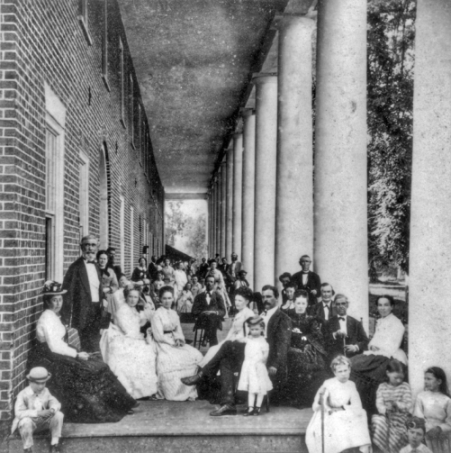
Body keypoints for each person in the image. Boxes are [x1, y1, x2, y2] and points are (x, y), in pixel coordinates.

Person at [28, 281, 136, 423]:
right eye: (54, 300)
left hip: (58, 353)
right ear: (47, 302)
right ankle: (109, 408)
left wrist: (76, 352)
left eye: (60, 300)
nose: (58, 303)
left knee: (98, 364)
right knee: (91, 369)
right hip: (49, 358)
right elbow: (54, 346)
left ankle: (121, 404)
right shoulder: (47, 317)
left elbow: (60, 344)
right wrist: (76, 354)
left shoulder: (53, 315)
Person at [182, 285, 291, 416]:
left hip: (264, 360)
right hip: (250, 354)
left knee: (228, 345)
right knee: (225, 360)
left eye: (269, 297)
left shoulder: (283, 318)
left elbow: (282, 346)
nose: (265, 299)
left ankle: (203, 375)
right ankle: (228, 403)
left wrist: (274, 365)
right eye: (263, 297)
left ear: (277, 298)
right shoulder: (261, 314)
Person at [351, 295, 407, 415]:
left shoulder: (397, 323)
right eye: (380, 305)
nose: (382, 308)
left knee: (371, 375)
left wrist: (378, 347)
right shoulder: (381, 321)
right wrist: (372, 346)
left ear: (392, 307)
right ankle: (359, 408)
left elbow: (393, 345)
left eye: (386, 305)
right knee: (353, 363)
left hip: (390, 355)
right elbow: (375, 340)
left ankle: (371, 411)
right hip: (378, 353)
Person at [100, 288, 157, 400]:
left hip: (131, 336)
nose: (132, 300)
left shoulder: (133, 309)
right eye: (130, 296)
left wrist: (145, 314)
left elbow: (139, 322)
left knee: (147, 351)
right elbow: (128, 330)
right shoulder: (122, 310)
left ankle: (143, 390)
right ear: (126, 297)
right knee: (139, 352)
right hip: (123, 337)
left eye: (135, 297)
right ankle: (132, 391)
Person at [305, 355, 371, 453]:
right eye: (340, 371)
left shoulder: (351, 384)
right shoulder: (329, 383)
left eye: (345, 370)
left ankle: (361, 446)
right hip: (329, 411)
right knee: (335, 420)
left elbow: (357, 404)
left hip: (342, 410)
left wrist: (344, 408)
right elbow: (320, 399)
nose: (343, 374)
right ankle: (340, 448)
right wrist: (327, 408)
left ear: (349, 370)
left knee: (362, 413)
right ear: (334, 372)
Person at [151, 286, 203, 401]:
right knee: (170, 358)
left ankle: (189, 390)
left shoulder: (174, 313)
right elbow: (158, 336)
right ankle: (174, 392)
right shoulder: (157, 314)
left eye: (169, 298)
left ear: (173, 299)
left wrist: (180, 340)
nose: (167, 301)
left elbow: (178, 330)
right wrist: (172, 342)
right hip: (163, 342)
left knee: (195, 354)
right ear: (160, 299)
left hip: (175, 340)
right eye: (164, 298)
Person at [61, 235, 108, 352]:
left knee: (97, 342)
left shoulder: (96, 266)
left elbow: (98, 287)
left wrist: (104, 298)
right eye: (86, 245)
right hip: (83, 311)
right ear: (81, 247)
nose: (90, 248)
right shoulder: (75, 267)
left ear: (97, 247)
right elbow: (67, 294)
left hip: (97, 310)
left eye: (93, 245)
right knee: (86, 345)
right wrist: (65, 318)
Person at [285, 290, 328, 408]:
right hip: (290, 347)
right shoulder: (287, 316)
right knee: (297, 358)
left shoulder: (311, 319)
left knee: (313, 364)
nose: (300, 306)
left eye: (303, 303)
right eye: (298, 303)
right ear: (294, 303)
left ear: (307, 304)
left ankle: (306, 398)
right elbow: (283, 334)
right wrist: (292, 333)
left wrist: (304, 336)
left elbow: (318, 336)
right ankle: (296, 398)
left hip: (308, 348)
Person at [199, 286, 254, 367]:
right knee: (212, 349)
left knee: (216, 350)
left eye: (240, 300)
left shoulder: (248, 314)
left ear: (247, 301)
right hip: (232, 340)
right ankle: (204, 371)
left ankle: (205, 372)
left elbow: (247, 334)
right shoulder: (238, 314)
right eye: (235, 300)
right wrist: (225, 341)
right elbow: (232, 330)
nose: (237, 303)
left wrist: (231, 341)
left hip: (241, 342)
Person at [12, 367, 64, 453]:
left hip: (40, 424)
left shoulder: (45, 391)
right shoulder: (23, 394)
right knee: (25, 421)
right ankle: (27, 448)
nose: (41, 386)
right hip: (27, 426)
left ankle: (54, 444)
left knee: (58, 415)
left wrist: (52, 410)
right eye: (38, 383)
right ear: (30, 382)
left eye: (43, 383)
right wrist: (38, 413)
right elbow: (18, 413)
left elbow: (56, 403)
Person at [372, 359, 413, 453]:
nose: (399, 380)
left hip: (400, 418)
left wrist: (397, 404)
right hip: (386, 416)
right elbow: (379, 404)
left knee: (395, 436)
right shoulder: (382, 387)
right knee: (378, 422)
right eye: (396, 377)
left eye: (401, 378)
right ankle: (382, 450)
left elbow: (408, 404)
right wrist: (385, 409)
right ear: (388, 373)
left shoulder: (405, 386)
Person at [238, 316, 272, 416]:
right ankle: (250, 407)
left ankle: (258, 407)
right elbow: (240, 340)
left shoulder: (262, 341)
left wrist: (263, 361)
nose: (254, 331)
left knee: (260, 388)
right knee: (251, 388)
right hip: (248, 366)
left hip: (258, 366)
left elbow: (266, 352)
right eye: (252, 329)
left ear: (262, 329)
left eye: (256, 329)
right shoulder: (248, 339)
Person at [414, 367, 451, 453]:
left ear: (439, 381)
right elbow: (418, 416)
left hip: (442, 435)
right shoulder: (421, 397)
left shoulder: (447, 400)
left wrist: (439, 428)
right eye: (425, 379)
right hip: (425, 433)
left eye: (429, 379)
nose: (426, 381)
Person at [325, 294, 369, 360]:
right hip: (335, 358)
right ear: (334, 306)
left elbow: (365, 341)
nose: (341, 306)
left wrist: (355, 347)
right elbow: (324, 342)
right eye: (338, 304)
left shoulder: (356, 323)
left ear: (347, 305)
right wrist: (335, 334)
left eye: (343, 303)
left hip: (354, 358)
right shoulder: (328, 323)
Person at [192, 275, 226, 346]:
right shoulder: (199, 296)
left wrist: (214, 312)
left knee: (212, 317)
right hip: (202, 321)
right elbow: (194, 311)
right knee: (212, 328)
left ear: (214, 284)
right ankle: (213, 346)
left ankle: (206, 336)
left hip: (215, 320)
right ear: (204, 283)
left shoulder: (218, 296)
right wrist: (203, 312)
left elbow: (223, 311)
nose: (209, 283)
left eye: (211, 282)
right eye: (207, 281)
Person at [97, 250, 119, 316]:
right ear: (97, 259)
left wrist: (109, 289)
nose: (102, 261)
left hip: (108, 296)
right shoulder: (93, 269)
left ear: (107, 260)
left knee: (108, 317)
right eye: (101, 258)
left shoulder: (111, 271)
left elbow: (115, 285)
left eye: (104, 259)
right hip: (96, 296)